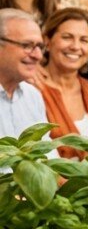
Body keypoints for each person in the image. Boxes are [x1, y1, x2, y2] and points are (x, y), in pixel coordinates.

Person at [36, 8, 88, 159]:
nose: (75, 46)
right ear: (47, 40)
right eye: (67, 37)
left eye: (84, 40)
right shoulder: (33, 89)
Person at [0, 8, 56, 141]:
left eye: (39, 47)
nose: (38, 55)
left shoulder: (32, 96)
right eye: (27, 45)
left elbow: (46, 153)